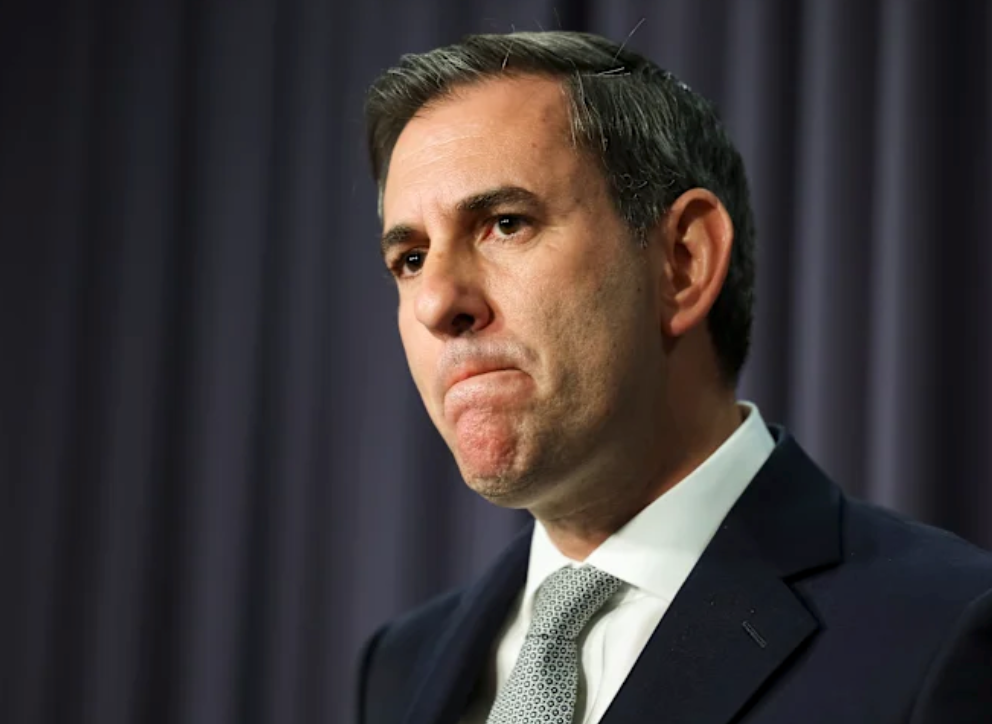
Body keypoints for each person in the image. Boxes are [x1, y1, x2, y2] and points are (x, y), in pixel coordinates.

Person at [356, 31, 992, 724]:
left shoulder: (942, 634)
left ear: (681, 263)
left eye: (505, 223)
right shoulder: (402, 664)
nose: (435, 302)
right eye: (411, 258)